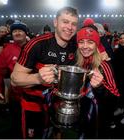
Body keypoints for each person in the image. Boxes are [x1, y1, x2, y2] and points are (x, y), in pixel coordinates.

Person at [10, 6, 79, 139]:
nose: (69, 27)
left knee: (56, 134)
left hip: (59, 105)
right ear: (55, 22)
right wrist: (38, 78)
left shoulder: (75, 46)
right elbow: (14, 78)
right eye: (65, 21)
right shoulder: (37, 44)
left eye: (74, 24)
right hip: (34, 107)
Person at [76, 24, 120, 138]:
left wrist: (100, 87)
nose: (85, 46)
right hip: (84, 113)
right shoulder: (81, 61)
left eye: (90, 42)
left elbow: (114, 96)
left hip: (99, 119)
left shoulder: (104, 64)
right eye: (81, 42)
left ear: (97, 45)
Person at [0, 20, 28, 138]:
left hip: (33, 96)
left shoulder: (34, 47)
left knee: (33, 125)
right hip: (15, 96)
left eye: (20, 30)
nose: (17, 33)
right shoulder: (8, 50)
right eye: (14, 31)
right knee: (16, 123)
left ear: (25, 33)